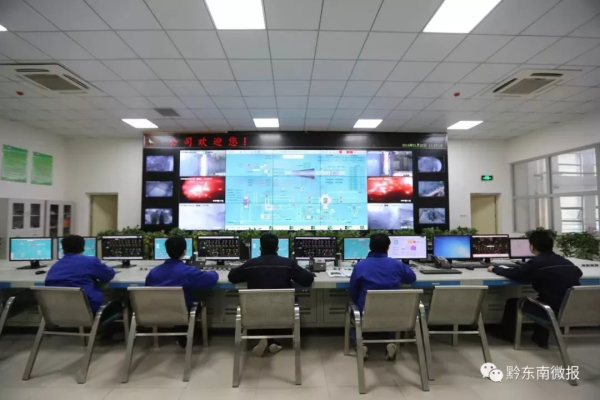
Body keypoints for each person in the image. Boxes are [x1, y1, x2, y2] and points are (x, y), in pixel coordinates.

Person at [488, 231, 582, 349]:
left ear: (532, 246)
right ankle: (539, 338)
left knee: (513, 303)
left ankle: (507, 335)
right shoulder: (565, 261)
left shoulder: (536, 263)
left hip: (552, 311)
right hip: (570, 308)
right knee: (543, 299)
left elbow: (515, 273)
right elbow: (579, 273)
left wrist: (495, 269)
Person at [228, 233, 314, 357]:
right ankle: (271, 341)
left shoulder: (251, 264)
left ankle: (267, 340)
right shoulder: (288, 264)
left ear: (260, 248)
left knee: (263, 306)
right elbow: (307, 280)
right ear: (277, 248)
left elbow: (232, 277)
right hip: (283, 312)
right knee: (278, 305)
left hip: (254, 312)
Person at [348, 233, 417, 360]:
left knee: (354, 308)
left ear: (370, 247)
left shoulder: (360, 266)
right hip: (393, 311)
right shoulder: (397, 265)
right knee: (389, 314)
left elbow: (352, 291)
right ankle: (390, 342)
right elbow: (411, 278)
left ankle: (360, 344)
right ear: (388, 247)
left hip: (367, 312)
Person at [145, 236, 219, 347]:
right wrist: (214, 272)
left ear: (167, 251)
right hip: (182, 312)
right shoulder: (187, 272)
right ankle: (187, 335)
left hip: (158, 311)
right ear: (184, 251)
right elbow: (211, 279)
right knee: (198, 301)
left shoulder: (153, 273)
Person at [46, 235, 121, 338]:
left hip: (58, 311)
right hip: (89, 310)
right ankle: (107, 332)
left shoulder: (55, 266)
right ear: (83, 248)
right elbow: (108, 275)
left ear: (63, 250)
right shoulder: (90, 261)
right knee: (117, 298)